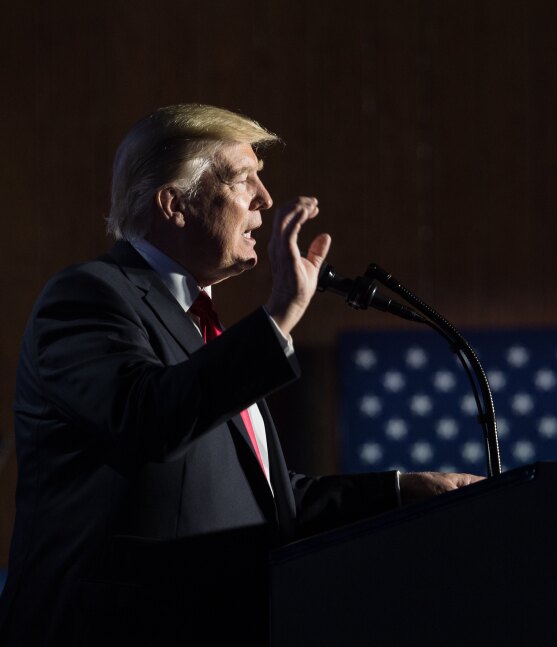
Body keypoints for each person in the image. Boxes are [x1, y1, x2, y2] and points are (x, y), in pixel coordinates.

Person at [0, 104, 481, 645]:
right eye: (241, 179)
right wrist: (277, 317)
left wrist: (404, 489)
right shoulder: (89, 296)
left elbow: (272, 499)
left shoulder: (207, 329)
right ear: (173, 204)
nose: (265, 199)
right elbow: (149, 415)